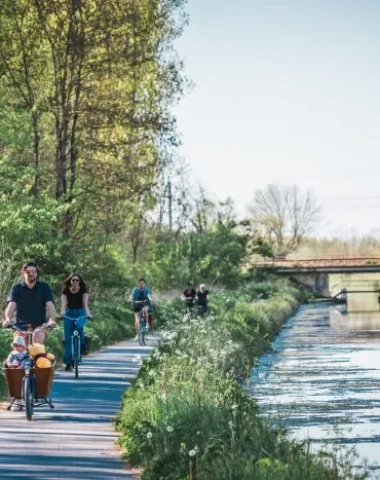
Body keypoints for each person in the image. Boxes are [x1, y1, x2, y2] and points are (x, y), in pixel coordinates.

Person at [2, 262, 56, 344]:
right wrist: (8, 319)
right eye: (28, 271)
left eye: (34, 271)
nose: (31, 273)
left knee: (37, 339)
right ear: (23, 273)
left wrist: (52, 319)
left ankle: (38, 356)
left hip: (40, 326)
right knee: (18, 346)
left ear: (36, 273)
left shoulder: (44, 287)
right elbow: (11, 305)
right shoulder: (16, 288)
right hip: (20, 326)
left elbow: (49, 304)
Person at [59, 272, 92, 372]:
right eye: (73, 280)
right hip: (69, 314)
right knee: (68, 339)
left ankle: (82, 343)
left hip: (80, 313)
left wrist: (88, 314)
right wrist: (62, 313)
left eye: (77, 280)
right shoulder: (65, 291)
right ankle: (68, 363)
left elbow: (85, 304)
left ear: (80, 282)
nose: (75, 282)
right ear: (70, 281)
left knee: (78, 326)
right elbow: (63, 304)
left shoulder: (83, 290)